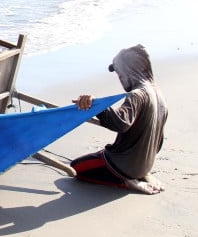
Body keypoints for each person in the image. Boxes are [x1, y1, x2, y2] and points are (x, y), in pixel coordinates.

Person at [71, 44, 168, 194]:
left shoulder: (138, 94)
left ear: (132, 70)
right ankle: (142, 174)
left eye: (121, 73)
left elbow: (121, 123)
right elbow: (159, 142)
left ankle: (126, 182)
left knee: (76, 168)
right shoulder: (158, 94)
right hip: (145, 166)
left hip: (122, 167)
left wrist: (97, 105)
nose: (120, 78)